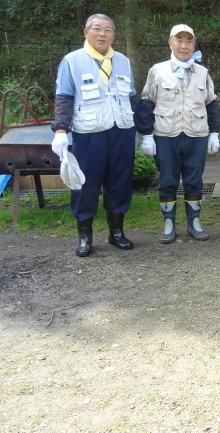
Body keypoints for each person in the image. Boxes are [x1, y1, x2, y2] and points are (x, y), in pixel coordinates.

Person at [50, 14, 137, 257]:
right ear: (85, 32)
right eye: (97, 29)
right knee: (85, 185)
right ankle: (85, 236)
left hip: (121, 131)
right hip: (89, 134)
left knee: (119, 183)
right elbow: (64, 97)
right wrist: (60, 130)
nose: (102, 34)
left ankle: (116, 232)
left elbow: (131, 97)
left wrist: (143, 130)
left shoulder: (122, 61)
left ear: (113, 35)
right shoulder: (72, 61)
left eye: (107, 30)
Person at [134, 24, 220, 244]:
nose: (184, 45)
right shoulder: (157, 71)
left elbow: (212, 104)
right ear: (170, 43)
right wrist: (146, 134)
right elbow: (146, 102)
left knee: (194, 180)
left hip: (196, 134)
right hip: (166, 135)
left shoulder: (203, 72)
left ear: (194, 44)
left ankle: (194, 222)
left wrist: (214, 133)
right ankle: (169, 223)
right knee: (168, 180)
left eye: (189, 41)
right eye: (179, 40)